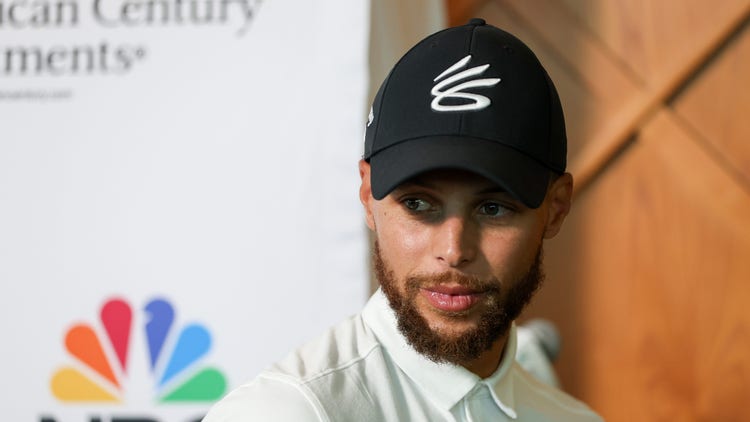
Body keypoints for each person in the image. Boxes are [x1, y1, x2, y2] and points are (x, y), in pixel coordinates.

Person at [203, 18, 603, 421]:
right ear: (366, 194)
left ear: (556, 208)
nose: (453, 251)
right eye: (417, 204)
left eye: (493, 208)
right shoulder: (285, 413)